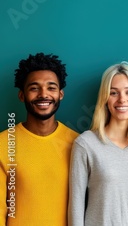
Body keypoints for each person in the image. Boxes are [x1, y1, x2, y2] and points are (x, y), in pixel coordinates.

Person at [0, 53, 79, 225]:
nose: (44, 94)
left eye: (51, 88)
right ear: (22, 95)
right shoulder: (3, 144)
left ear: (61, 94)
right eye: (34, 88)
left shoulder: (79, 144)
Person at [68, 61, 128, 225]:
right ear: (104, 98)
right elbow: (75, 206)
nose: (122, 99)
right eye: (113, 93)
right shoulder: (86, 144)